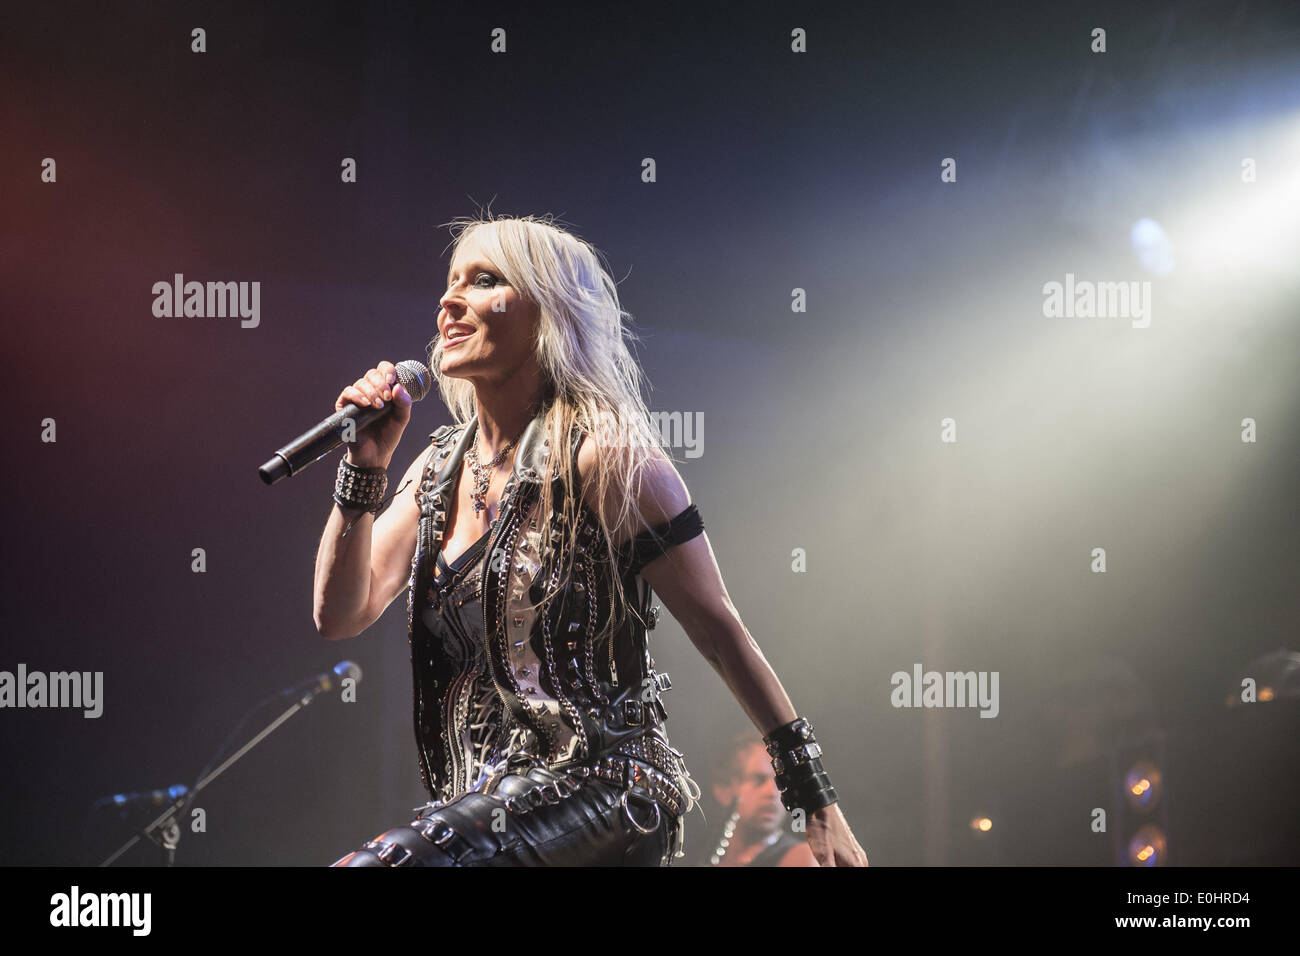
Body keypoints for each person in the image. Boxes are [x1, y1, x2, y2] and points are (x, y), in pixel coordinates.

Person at [314, 213, 868, 867]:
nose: (449, 300)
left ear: (547, 312)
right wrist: (362, 474)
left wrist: (814, 798)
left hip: (607, 791)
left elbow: (720, 629)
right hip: (482, 810)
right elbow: (340, 613)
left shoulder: (604, 453)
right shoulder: (436, 472)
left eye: (485, 280)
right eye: (450, 282)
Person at [701, 731, 818, 866]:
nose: (773, 793)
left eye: (781, 782)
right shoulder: (708, 854)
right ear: (724, 790)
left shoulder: (800, 858)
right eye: (759, 780)